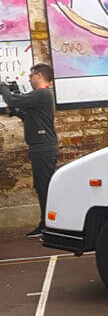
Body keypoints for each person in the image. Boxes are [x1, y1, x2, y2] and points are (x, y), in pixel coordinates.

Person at [0, 63, 58, 238]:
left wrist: (2, 86)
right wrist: (17, 113)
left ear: (39, 76)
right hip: (39, 148)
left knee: (45, 187)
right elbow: (31, 117)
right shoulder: (42, 97)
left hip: (43, 149)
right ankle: (45, 223)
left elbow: (12, 99)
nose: (29, 78)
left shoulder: (42, 94)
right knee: (41, 187)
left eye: (31, 75)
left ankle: (52, 226)